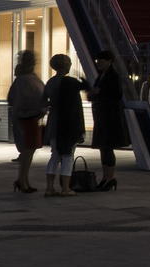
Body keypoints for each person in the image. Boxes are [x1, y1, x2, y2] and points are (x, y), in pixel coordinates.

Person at [42, 53, 87, 197]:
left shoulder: (50, 82)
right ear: (66, 65)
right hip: (68, 122)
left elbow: (43, 101)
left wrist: (52, 104)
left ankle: (49, 188)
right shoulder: (70, 82)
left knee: (54, 154)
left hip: (54, 120)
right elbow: (85, 87)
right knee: (68, 155)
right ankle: (66, 188)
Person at [87, 50, 127, 191]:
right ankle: (106, 177)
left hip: (110, 117)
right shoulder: (101, 76)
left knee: (107, 147)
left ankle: (110, 177)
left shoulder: (113, 76)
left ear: (109, 61)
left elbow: (117, 95)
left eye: (101, 60)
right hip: (101, 115)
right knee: (104, 147)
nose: (98, 63)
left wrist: (99, 93)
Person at [8, 50, 44, 194]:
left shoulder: (27, 78)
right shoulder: (26, 79)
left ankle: (24, 179)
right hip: (28, 117)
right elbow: (19, 100)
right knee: (28, 151)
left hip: (31, 117)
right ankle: (22, 180)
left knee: (29, 151)